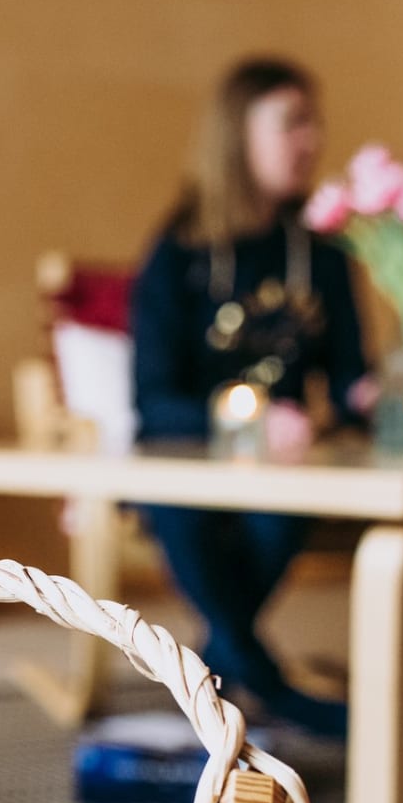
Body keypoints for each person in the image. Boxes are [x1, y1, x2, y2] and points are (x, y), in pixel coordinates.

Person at [129, 57, 367, 739]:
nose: (312, 140)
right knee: (178, 506)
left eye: (314, 123)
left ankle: (214, 671)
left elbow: (352, 380)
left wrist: (369, 393)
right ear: (238, 134)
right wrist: (248, 422)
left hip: (289, 468)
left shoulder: (325, 253)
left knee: (278, 507)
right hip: (189, 458)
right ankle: (265, 681)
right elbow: (152, 401)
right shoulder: (176, 253)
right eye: (293, 122)